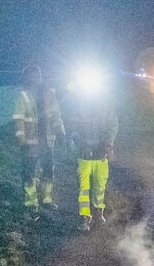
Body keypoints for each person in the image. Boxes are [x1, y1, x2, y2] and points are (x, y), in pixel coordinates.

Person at [12, 65, 65, 220]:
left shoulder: (49, 94)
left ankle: (46, 199)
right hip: (30, 143)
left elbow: (56, 115)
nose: (36, 78)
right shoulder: (23, 96)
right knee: (29, 173)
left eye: (38, 75)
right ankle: (31, 203)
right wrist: (22, 140)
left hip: (47, 142)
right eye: (33, 76)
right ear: (27, 78)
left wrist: (61, 133)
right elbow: (18, 120)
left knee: (49, 171)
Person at [65, 87, 118, 231]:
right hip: (84, 154)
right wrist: (76, 141)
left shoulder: (107, 101)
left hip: (101, 154)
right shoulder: (79, 101)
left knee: (100, 186)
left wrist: (108, 145)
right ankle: (84, 217)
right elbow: (72, 125)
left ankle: (98, 213)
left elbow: (112, 125)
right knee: (83, 188)